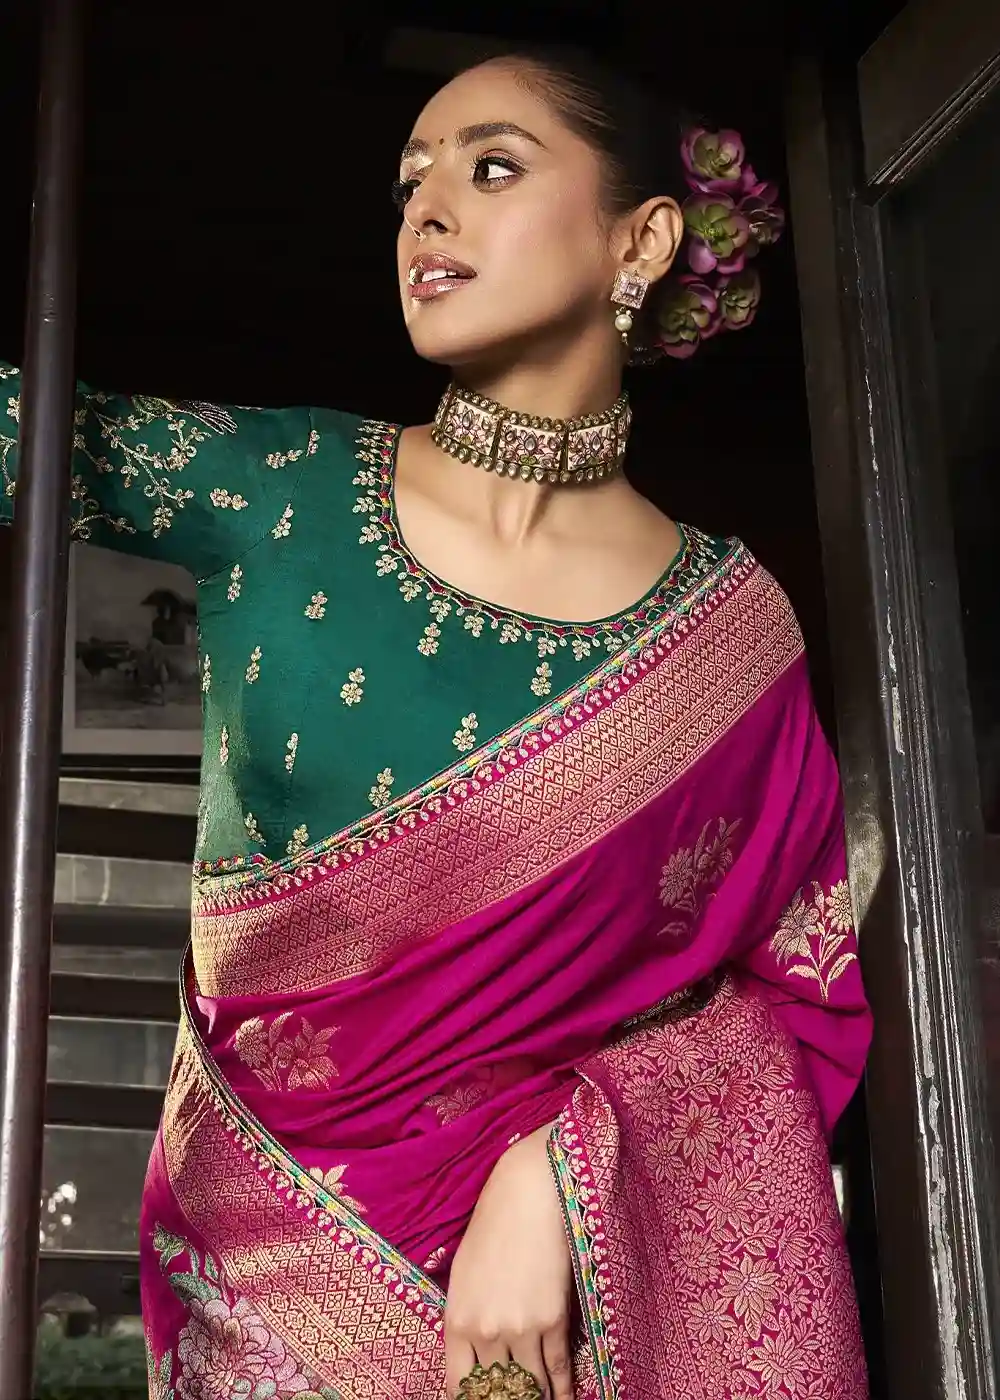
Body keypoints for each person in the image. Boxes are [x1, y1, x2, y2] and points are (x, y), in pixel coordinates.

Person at [1, 50, 871, 1400]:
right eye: (411, 181)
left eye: (492, 166)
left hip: (566, 1322)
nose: (427, 209)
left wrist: (560, 1176)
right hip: (264, 1286)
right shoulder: (275, 489)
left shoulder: (734, 637)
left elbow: (793, 999)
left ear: (642, 239)